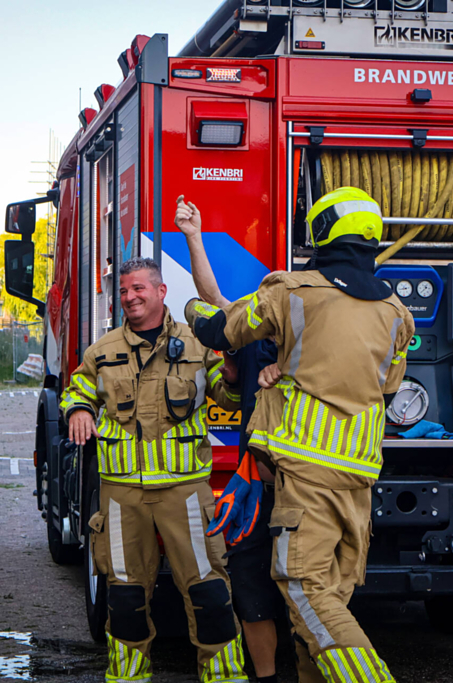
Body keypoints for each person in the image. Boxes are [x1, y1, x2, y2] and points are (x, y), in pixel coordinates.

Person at [186, 187, 414, 683]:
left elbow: (220, 332)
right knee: (319, 605)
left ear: (321, 231)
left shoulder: (291, 290)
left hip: (305, 475)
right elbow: (389, 386)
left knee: (308, 594)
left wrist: (193, 312)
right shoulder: (397, 314)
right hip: (357, 480)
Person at [60, 257, 248, 683]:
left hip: (185, 493)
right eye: (124, 291)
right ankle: (128, 677)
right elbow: (78, 390)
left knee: (208, 591)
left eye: (138, 289)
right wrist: (77, 411)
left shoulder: (198, 346)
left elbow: (229, 394)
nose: (129, 297)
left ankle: (224, 676)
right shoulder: (103, 350)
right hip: (122, 496)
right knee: (124, 598)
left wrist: (235, 368)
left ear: (161, 292)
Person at [175, 195, 286, 683]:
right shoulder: (253, 334)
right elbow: (214, 296)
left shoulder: (312, 345)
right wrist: (194, 237)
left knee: (287, 586)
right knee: (248, 580)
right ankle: (266, 677)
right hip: (254, 480)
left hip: (298, 482)